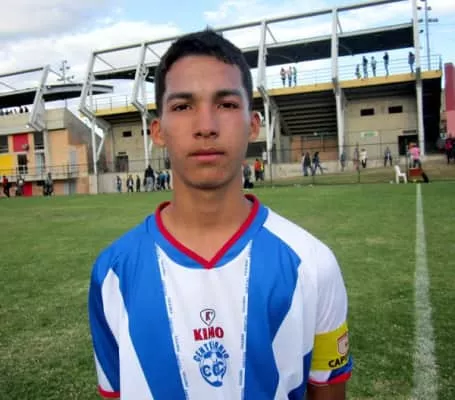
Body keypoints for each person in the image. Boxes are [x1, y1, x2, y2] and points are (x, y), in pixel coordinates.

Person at [88, 29, 353, 400]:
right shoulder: (113, 274)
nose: (206, 126)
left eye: (226, 104)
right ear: (158, 131)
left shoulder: (313, 265)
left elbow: (328, 391)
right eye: (183, 107)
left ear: (253, 124)